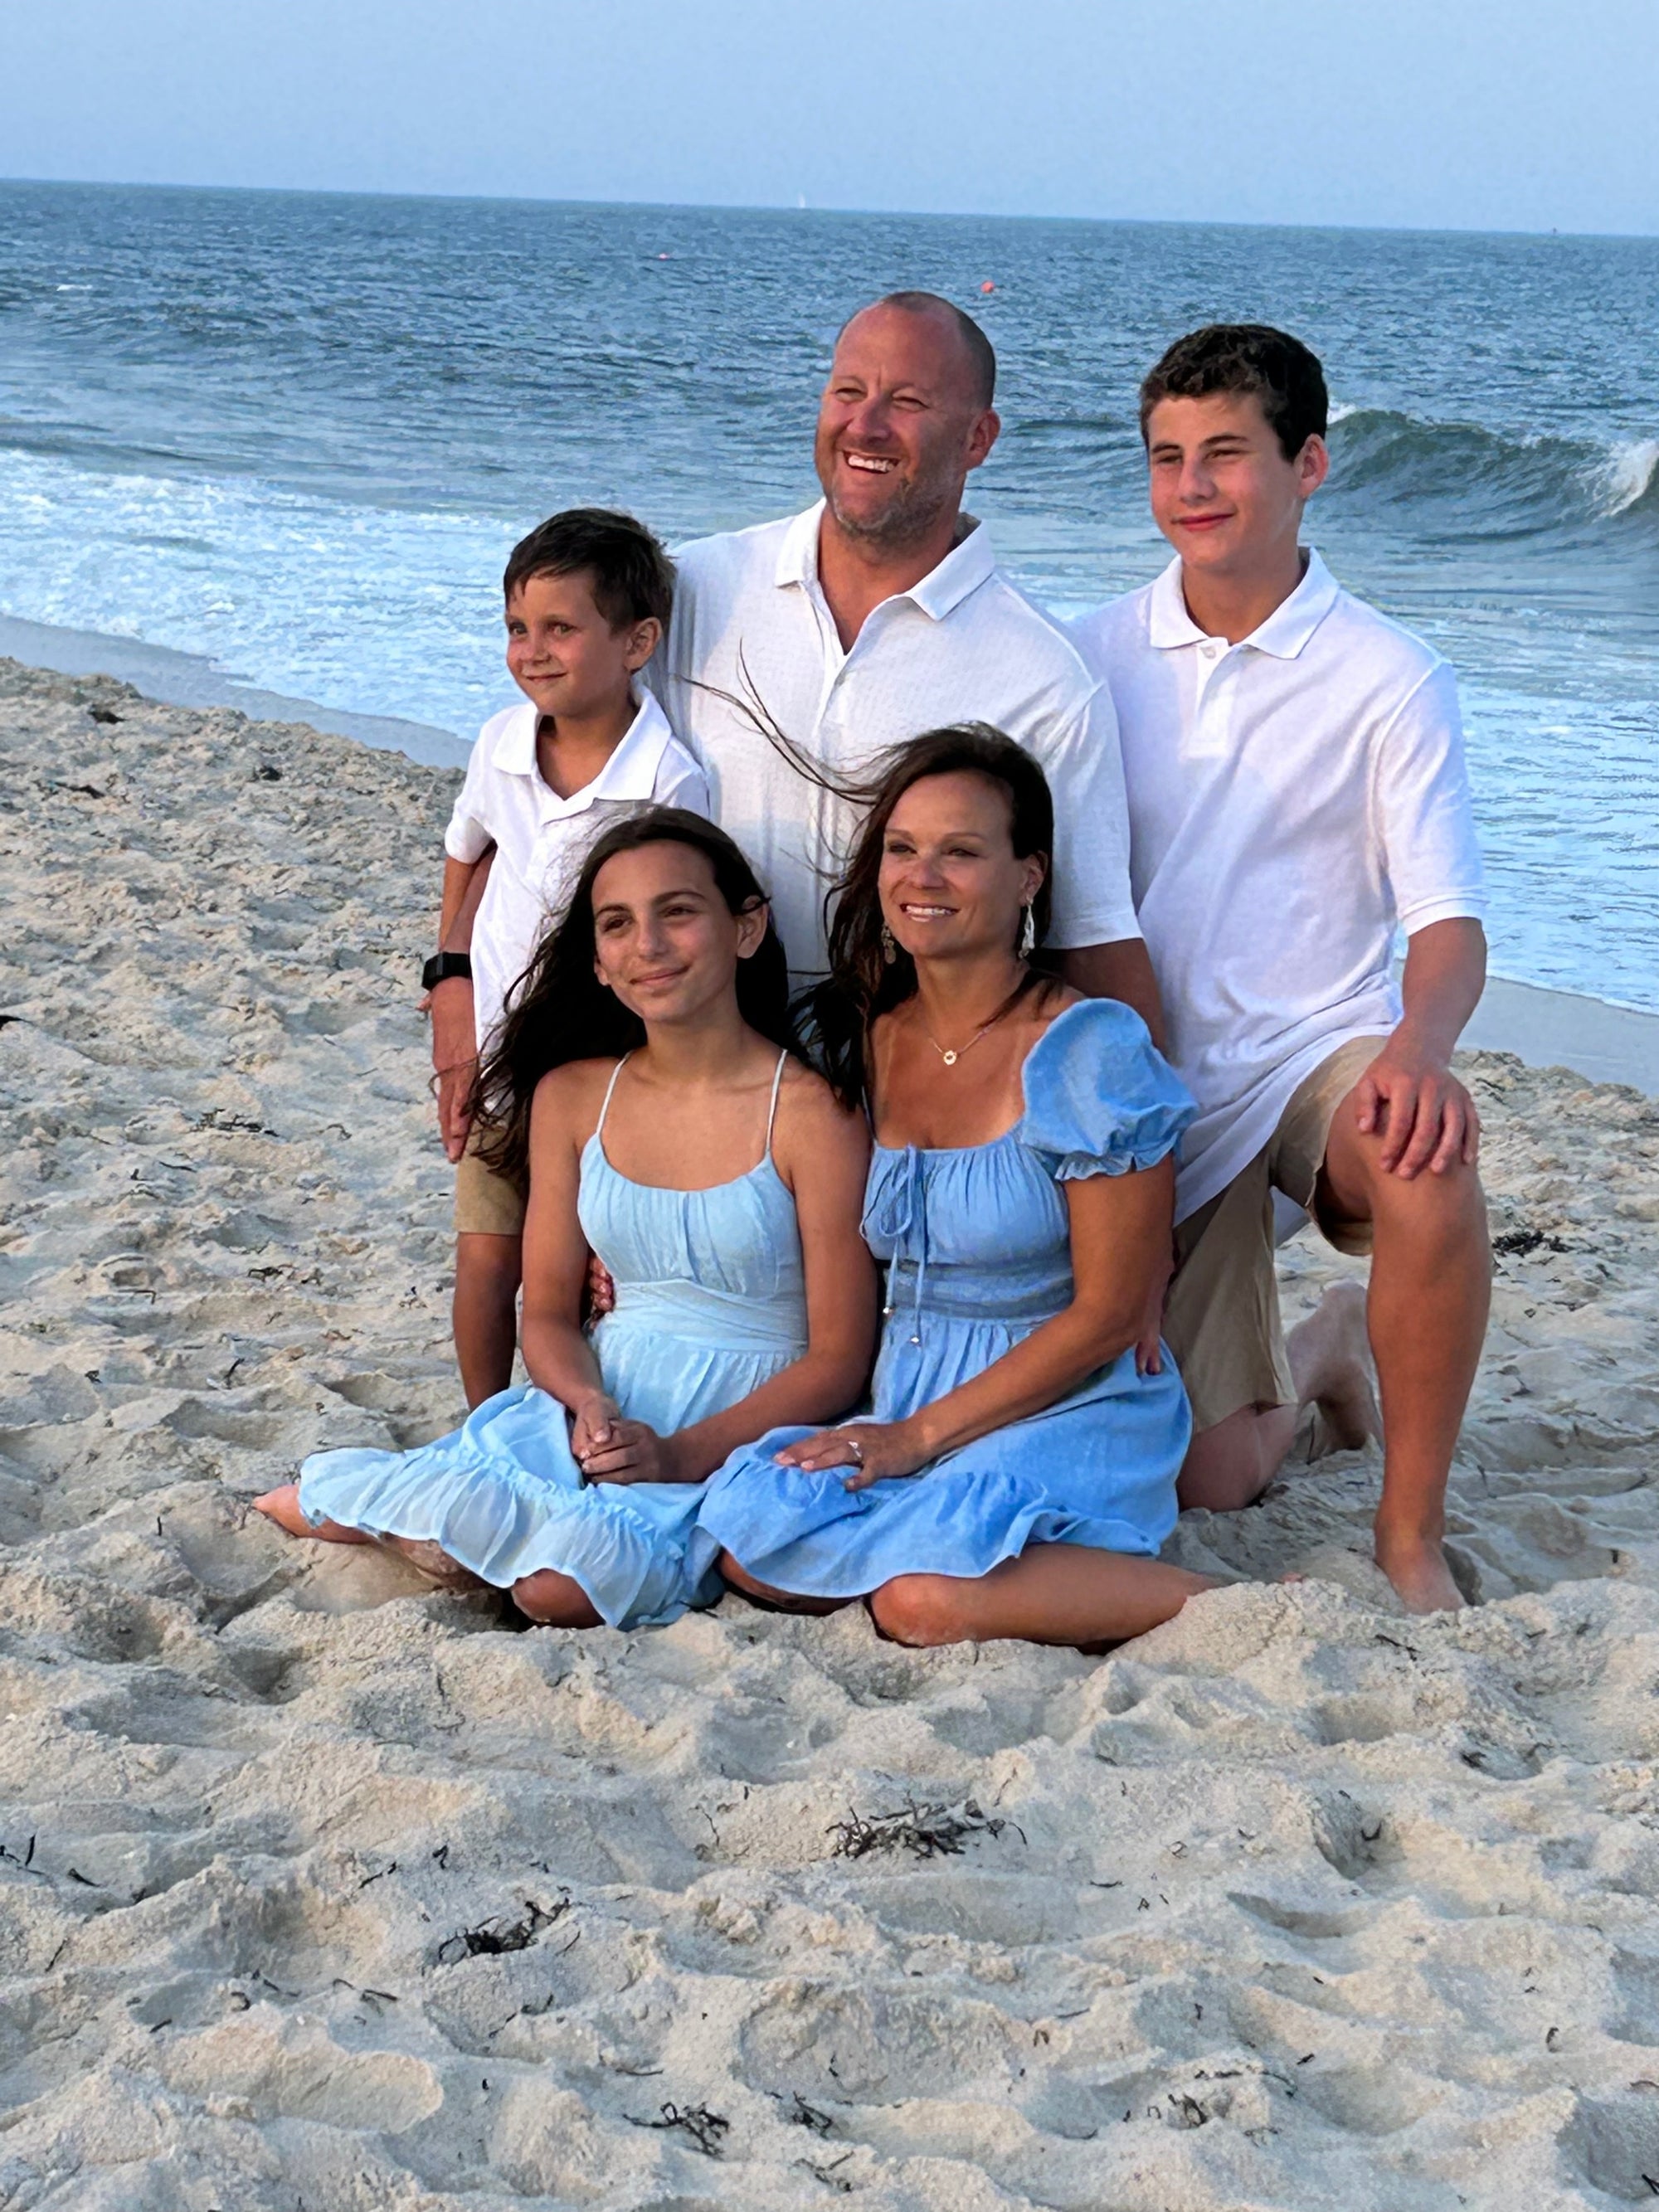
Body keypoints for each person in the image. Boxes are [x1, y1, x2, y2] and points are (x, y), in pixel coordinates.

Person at [1070, 324, 1491, 1616]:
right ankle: (1319, 1358)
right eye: (1166, 458)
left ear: (1308, 463)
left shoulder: (1391, 677)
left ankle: (1409, 1532)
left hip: (1312, 1059)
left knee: (1428, 1161)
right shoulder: (1089, 655)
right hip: (1143, 1089)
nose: (1191, 485)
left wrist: (1418, 1050)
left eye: (1225, 455)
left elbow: (1448, 924)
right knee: (1202, 1481)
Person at [254, 811, 876, 1631]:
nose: (647, 944)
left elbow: (839, 1357)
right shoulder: (576, 1095)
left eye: (678, 911)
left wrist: (677, 1456)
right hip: (597, 1402)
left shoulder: (811, 1113)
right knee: (308, 1507)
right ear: (597, 962)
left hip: (743, 1423)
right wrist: (584, 1403)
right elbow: (545, 1309)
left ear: (747, 927)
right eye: (616, 924)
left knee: (556, 1589)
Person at [693, 729, 1212, 1649]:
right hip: (906, 1385)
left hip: (1067, 1394)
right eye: (902, 848)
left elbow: (1107, 1312)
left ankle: (1209, 1601)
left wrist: (915, 1440)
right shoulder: (851, 1036)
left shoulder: (1088, 1050)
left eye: (961, 852)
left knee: (920, 1600)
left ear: (1028, 877)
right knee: (749, 1546)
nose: (921, 877)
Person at [649, 290, 1160, 1032]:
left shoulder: (1044, 678)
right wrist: (458, 970)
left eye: (908, 400)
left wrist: (1139, 1124)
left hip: (901, 1092)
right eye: (848, 391)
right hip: (689, 1064)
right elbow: (548, 780)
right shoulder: (695, 590)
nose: (866, 424)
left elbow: (1086, 937)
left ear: (979, 438)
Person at [425, 508, 710, 1407]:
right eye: (517, 628)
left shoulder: (666, 779)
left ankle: (570, 1422)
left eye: (559, 628)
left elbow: (665, 940)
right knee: (483, 1259)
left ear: (637, 642)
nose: (532, 651)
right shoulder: (500, 744)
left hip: (598, 1080)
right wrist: (449, 984)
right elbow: (466, 852)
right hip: (501, 1066)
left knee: (581, 1279)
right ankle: (480, 1424)